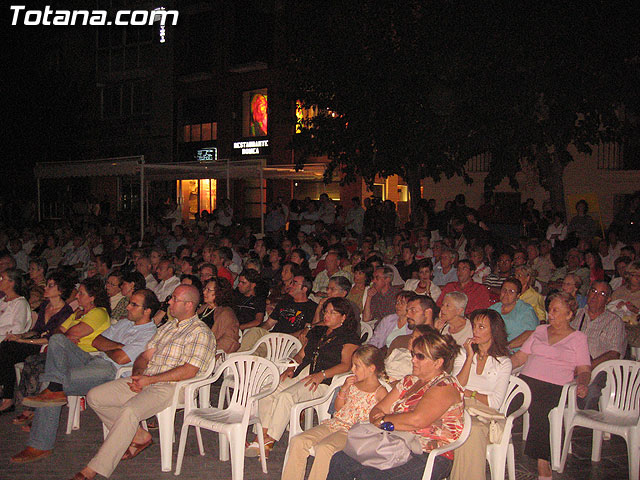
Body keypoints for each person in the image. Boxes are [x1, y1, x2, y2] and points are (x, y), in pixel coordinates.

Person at [69, 285, 216, 480]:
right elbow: (144, 356)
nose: (169, 302)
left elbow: (189, 370)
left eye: (174, 299)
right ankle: (138, 435)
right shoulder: (168, 327)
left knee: (129, 410)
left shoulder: (200, 332)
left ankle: (93, 469)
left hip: (173, 386)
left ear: (189, 305)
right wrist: (138, 375)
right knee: (95, 396)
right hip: (148, 379)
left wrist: (150, 380)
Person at [10, 289, 159, 463]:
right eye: (130, 302)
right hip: (92, 359)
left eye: (134, 304)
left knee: (50, 384)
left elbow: (121, 358)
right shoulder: (125, 323)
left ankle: (40, 445)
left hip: (109, 370)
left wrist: (113, 349)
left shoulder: (149, 334)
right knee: (57, 340)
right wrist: (119, 347)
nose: (127, 307)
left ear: (147, 310)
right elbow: (96, 342)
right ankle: (55, 388)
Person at [327, 328, 464, 480]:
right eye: (413, 355)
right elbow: (377, 410)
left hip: (428, 452)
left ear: (438, 362)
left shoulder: (445, 386)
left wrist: (385, 421)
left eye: (420, 356)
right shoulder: (409, 381)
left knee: (370, 476)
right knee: (340, 460)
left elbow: (417, 420)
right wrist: (388, 422)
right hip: (394, 442)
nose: (413, 360)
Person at [246, 297, 360, 458]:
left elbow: (346, 365)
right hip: (305, 371)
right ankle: (261, 436)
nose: (326, 315)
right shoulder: (318, 331)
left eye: (332, 313)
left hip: (325, 380)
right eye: (326, 311)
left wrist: (322, 374)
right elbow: (301, 355)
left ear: (343, 317)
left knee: (286, 397)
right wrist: (291, 366)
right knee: (269, 390)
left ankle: (269, 440)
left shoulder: (349, 337)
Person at [511, 292, 591, 480]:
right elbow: (519, 358)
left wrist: (582, 384)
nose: (550, 314)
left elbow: (584, 369)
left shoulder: (578, 338)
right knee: (502, 401)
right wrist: (499, 366)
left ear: (570, 314)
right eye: (549, 310)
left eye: (555, 310)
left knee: (539, 409)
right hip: (527, 380)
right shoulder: (540, 331)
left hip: (554, 386)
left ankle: (542, 461)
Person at [281, 345, 388, 480]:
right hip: (335, 424)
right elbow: (338, 408)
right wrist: (344, 389)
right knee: (298, 440)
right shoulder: (353, 383)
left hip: (354, 432)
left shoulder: (380, 392)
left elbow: (382, 418)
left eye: (357, 366)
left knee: (325, 448)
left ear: (371, 368)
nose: (352, 369)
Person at [0, 271, 75, 416]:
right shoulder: (46, 305)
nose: (45, 288)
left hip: (47, 347)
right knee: (6, 346)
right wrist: (20, 335)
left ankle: (8, 398)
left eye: (50, 285)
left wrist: (21, 340)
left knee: (7, 350)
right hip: (35, 342)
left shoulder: (66, 311)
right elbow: (36, 330)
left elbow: (51, 338)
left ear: (60, 290)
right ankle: (7, 395)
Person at [449, 309, 512, 480]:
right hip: (460, 409)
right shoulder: (464, 353)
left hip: (486, 416)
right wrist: (470, 357)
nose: (475, 331)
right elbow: (456, 386)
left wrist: (470, 393)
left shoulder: (503, 362)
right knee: (463, 427)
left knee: (472, 430)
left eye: (481, 327)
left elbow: (495, 402)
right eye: (474, 326)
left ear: (494, 332)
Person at [571, 281, 627, 410]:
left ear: (608, 299)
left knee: (590, 391)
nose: (595, 296)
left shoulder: (613, 321)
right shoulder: (576, 315)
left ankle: (582, 425)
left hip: (598, 368)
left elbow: (614, 353)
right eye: (593, 291)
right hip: (571, 364)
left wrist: (587, 367)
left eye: (601, 294)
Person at [489, 277, 539, 351]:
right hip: (494, 350)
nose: (506, 294)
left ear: (518, 295)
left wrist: (506, 347)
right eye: (504, 290)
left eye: (511, 291)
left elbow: (531, 333)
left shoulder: (526, 310)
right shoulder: (493, 309)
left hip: (517, 352)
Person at [198, 277, 240, 354]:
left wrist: (207, 350)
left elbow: (229, 340)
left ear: (219, 292)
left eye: (209, 290)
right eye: (205, 289)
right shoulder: (203, 307)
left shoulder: (226, 313)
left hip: (207, 351)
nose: (204, 292)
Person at [0, 268, 32, 343]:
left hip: (6, 340)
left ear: (12, 282)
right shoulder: (1, 301)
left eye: (2, 278)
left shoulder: (20, 303)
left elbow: (18, 328)